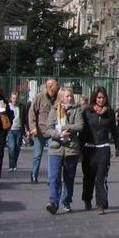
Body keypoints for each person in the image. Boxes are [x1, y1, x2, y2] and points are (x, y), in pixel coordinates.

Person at [81, 86, 119, 214]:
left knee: (101, 178)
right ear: (94, 98)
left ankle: (101, 204)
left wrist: (118, 146)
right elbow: (82, 131)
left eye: (103, 98)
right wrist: (80, 149)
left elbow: (114, 131)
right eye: (98, 97)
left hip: (103, 148)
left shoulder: (109, 113)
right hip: (89, 148)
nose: (101, 100)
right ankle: (87, 199)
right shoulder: (87, 112)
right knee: (88, 177)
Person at [45, 86, 83, 214]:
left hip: (71, 149)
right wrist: (60, 134)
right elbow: (48, 128)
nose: (69, 98)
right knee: (54, 177)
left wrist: (64, 127)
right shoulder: (54, 110)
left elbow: (79, 125)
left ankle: (66, 201)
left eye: (71, 96)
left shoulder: (76, 110)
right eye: (67, 96)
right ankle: (53, 202)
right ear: (61, 97)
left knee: (69, 177)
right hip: (56, 148)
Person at [27, 78, 60, 183]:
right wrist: (33, 127)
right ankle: (34, 175)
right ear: (50, 87)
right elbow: (32, 113)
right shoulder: (39, 97)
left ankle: (51, 178)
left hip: (53, 132)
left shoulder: (59, 98)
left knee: (52, 156)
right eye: (56, 85)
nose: (58, 86)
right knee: (37, 156)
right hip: (40, 131)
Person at [6, 87, 28, 172]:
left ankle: (14, 163)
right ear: (11, 98)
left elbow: (24, 118)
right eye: (13, 98)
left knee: (17, 148)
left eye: (16, 98)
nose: (15, 100)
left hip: (19, 129)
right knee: (11, 147)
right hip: (10, 129)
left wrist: (26, 128)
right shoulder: (8, 106)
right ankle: (11, 165)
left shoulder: (21, 106)